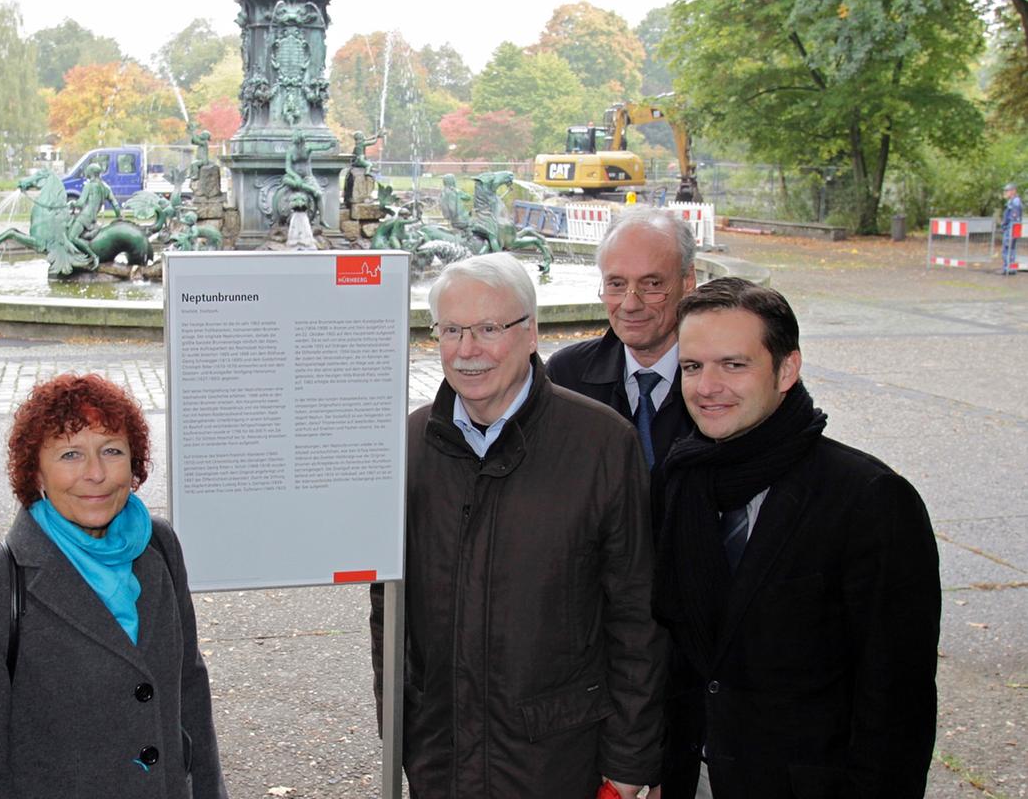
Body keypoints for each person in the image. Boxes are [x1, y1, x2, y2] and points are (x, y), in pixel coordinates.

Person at [369, 252, 665, 797]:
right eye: (451, 330)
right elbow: (389, 612)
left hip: (555, 759)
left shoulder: (601, 443)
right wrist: (401, 731)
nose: (466, 350)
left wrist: (628, 764)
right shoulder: (407, 445)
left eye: (487, 329)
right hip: (442, 755)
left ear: (530, 333)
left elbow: (637, 617)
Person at [654, 277, 941, 798]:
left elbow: (897, 706)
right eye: (693, 367)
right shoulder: (683, 480)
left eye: (733, 365)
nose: (706, 386)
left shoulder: (870, 500)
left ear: (787, 369)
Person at [0, 374, 226, 799]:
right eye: (70, 454)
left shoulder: (159, 546)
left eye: (111, 450)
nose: (95, 473)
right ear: (35, 470)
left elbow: (189, 692)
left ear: (134, 461)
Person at [546, 208, 698, 470]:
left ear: (688, 282)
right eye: (616, 284)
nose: (630, 304)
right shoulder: (565, 377)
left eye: (651, 284)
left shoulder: (720, 383)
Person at [1002, 182, 1021, 276]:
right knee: (1011, 248)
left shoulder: (1015, 201)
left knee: (1007, 248)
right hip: (1010, 227)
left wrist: (1008, 227)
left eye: (1007, 190)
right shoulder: (1012, 201)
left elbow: (1014, 217)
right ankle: (1011, 268)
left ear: (1013, 191)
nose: (1006, 192)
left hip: (1011, 227)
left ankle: (1008, 269)